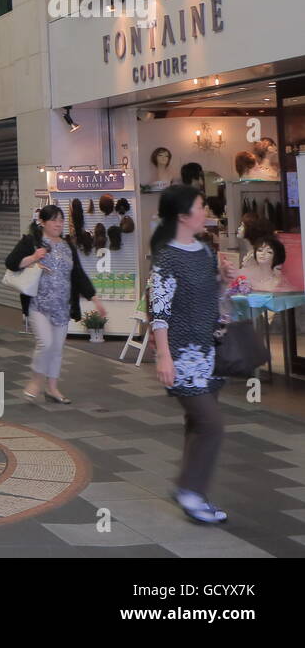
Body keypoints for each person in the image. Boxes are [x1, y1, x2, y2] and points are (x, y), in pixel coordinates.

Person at [149, 183, 229, 524]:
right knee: (212, 424)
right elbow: (160, 310)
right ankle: (190, 490)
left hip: (209, 351)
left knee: (197, 422)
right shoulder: (166, 257)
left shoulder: (205, 250)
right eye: (200, 206)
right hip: (182, 355)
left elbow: (210, 298)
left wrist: (224, 280)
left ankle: (191, 489)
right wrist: (163, 355)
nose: (205, 212)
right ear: (183, 215)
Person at [5, 204, 105, 404]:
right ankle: (36, 380)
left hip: (62, 305)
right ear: (42, 222)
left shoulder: (68, 245)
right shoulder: (31, 241)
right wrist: (34, 257)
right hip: (38, 304)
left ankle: (52, 388)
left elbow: (78, 274)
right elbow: (11, 263)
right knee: (46, 343)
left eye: (61, 220)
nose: (59, 224)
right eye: (54, 220)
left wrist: (95, 299)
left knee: (57, 348)